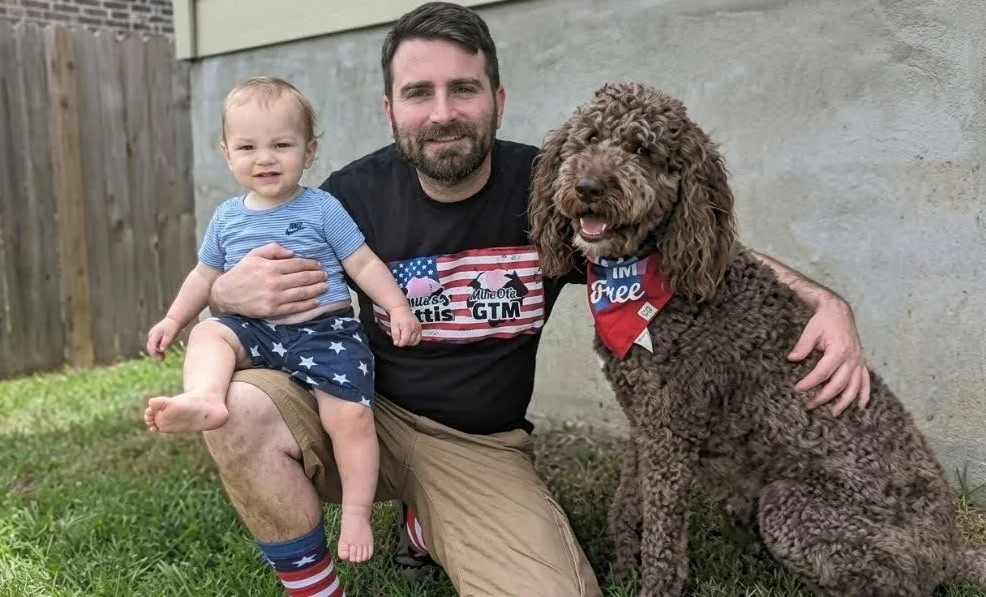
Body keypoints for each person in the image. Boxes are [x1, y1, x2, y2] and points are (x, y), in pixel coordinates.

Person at [201, 3, 872, 596]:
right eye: (418, 93)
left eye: (463, 89)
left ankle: (428, 518)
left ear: (497, 97)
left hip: (478, 446)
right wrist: (225, 293)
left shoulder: (557, 186)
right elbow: (223, 287)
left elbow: (696, 248)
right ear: (390, 110)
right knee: (238, 406)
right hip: (358, 408)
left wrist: (825, 303)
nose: (442, 113)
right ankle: (313, 586)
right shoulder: (346, 198)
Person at [142, 76, 421, 566]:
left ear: (309, 151)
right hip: (259, 331)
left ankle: (356, 513)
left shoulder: (322, 208)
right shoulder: (227, 218)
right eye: (248, 146)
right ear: (226, 153)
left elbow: (363, 264)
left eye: (282, 145)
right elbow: (204, 276)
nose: (265, 158)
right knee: (211, 332)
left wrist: (396, 306)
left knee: (351, 417)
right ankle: (205, 397)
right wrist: (173, 320)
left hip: (324, 332)